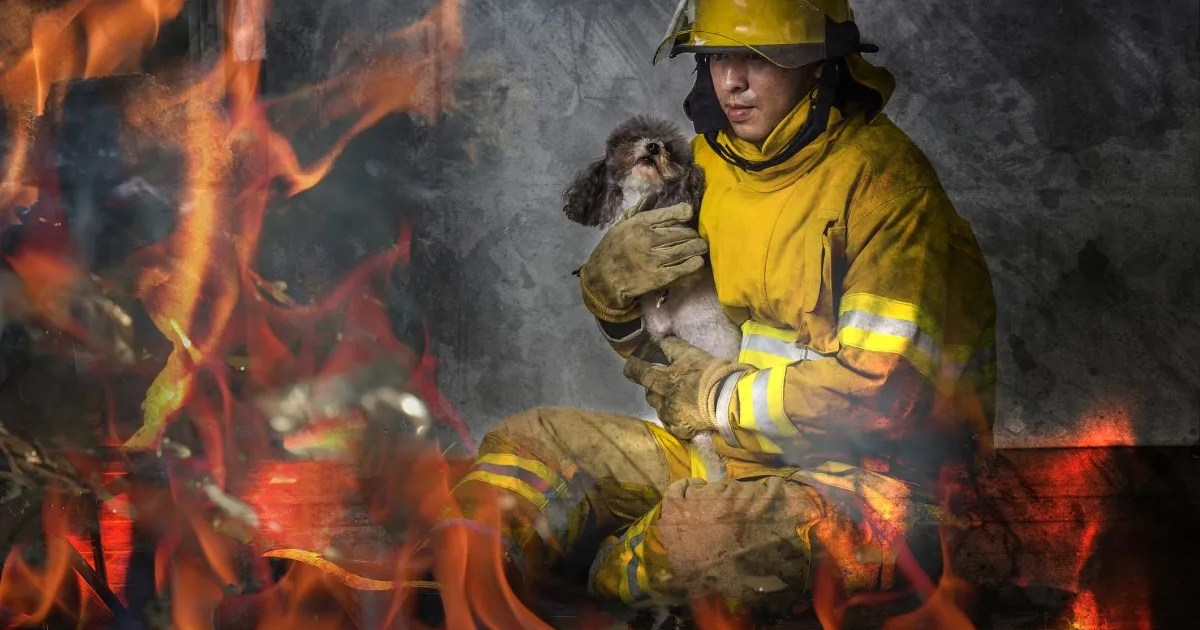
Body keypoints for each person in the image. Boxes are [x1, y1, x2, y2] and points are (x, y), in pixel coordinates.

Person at [445, 0, 996, 619]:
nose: (729, 80)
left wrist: (713, 400)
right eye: (715, 57)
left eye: (756, 59)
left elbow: (881, 396)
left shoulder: (885, 187)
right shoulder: (708, 167)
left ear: (819, 63)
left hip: (875, 491)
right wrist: (609, 298)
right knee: (530, 444)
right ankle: (449, 590)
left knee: (700, 535)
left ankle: (599, 580)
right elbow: (668, 355)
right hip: (736, 459)